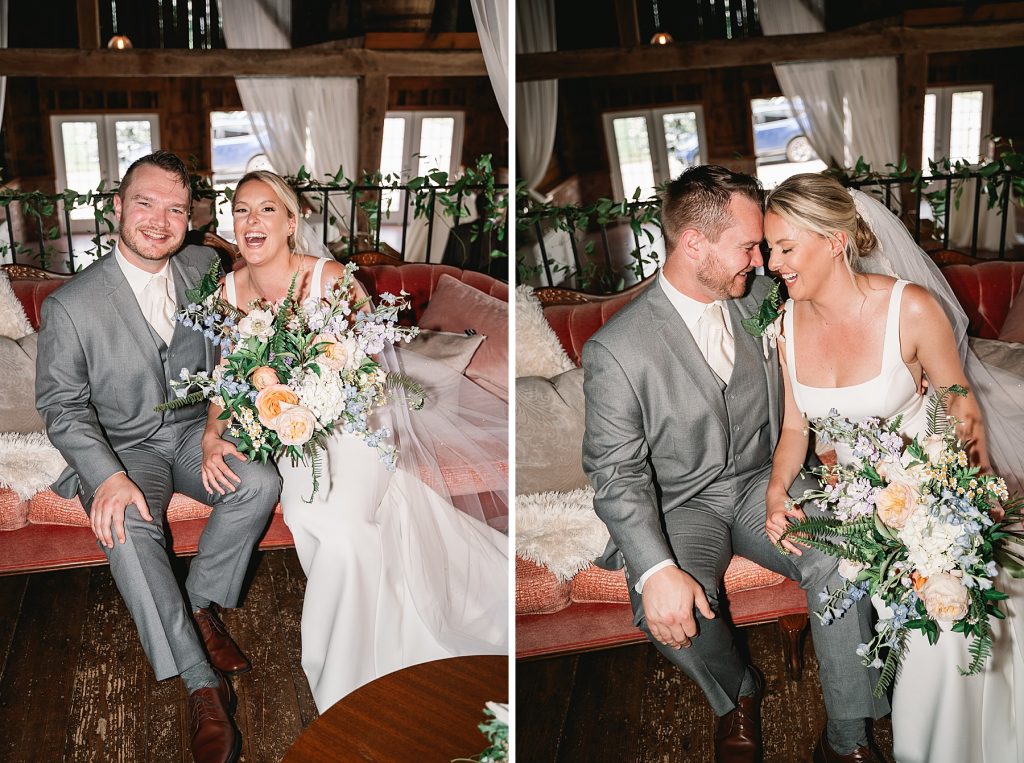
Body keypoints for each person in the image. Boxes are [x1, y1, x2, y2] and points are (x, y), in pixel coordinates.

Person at [582, 165, 889, 763]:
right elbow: (615, 473)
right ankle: (738, 694)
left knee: (845, 556)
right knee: (669, 611)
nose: (761, 260)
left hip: (763, 483)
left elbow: (842, 309)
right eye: (749, 246)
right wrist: (653, 571)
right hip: (680, 508)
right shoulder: (616, 351)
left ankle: (847, 740)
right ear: (693, 242)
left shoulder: (757, 298)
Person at [203, 170, 508, 713]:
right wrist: (212, 434)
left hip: (358, 420)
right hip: (290, 431)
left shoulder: (330, 277)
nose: (252, 221)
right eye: (242, 210)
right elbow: (229, 374)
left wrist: (322, 399)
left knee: (341, 531)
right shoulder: (228, 290)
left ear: (292, 222)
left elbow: (371, 366)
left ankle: (342, 680)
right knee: (306, 518)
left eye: (267, 210)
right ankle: (364, 644)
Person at [763, 172, 1024, 763]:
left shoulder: (911, 308)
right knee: (906, 633)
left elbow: (961, 407)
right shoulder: (784, 326)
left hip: (935, 496)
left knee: (945, 632)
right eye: (770, 248)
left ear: (834, 240)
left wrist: (972, 498)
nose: (772, 264)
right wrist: (778, 492)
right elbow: (795, 429)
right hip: (860, 514)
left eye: (785, 247)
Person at [35, 151, 282, 763]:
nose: (159, 219)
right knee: (126, 527)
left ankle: (196, 605)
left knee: (258, 482)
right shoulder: (71, 305)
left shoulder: (204, 265)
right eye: (144, 202)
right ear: (116, 208)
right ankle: (202, 687)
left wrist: (217, 427)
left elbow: (234, 346)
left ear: (189, 217)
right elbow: (62, 407)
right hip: (125, 449)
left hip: (194, 434)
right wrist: (108, 478)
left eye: (175, 208)